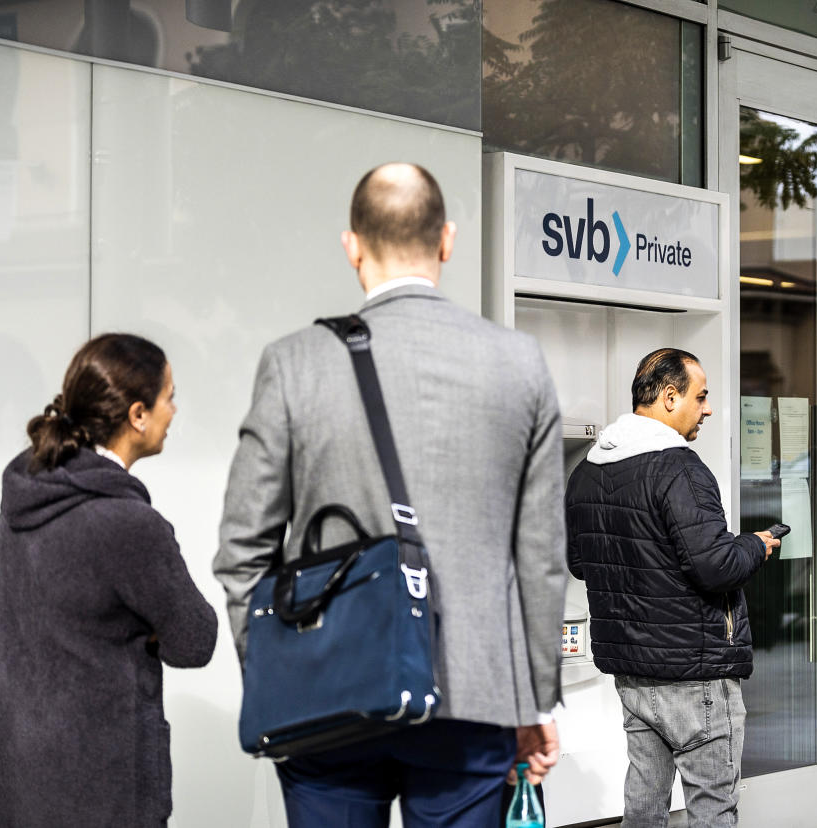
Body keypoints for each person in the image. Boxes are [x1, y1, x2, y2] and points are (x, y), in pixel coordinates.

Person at [214, 162, 567, 826]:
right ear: (447, 240)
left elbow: (242, 549)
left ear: (352, 246)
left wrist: (280, 664)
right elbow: (542, 558)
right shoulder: (519, 362)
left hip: (330, 693)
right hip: (475, 692)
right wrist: (536, 700)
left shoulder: (295, 362)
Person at [0, 334, 218, 827]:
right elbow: (195, 641)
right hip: (102, 782)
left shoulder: (26, 498)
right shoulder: (128, 524)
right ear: (137, 415)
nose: (174, 411)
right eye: (169, 396)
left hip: (19, 771)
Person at [565, 348, 780, 827]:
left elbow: (580, 563)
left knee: (643, 809)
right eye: (700, 397)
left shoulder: (587, 471)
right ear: (668, 397)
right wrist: (756, 544)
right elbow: (717, 567)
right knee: (713, 810)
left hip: (634, 675)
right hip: (695, 669)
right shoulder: (680, 469)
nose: (707, 408)